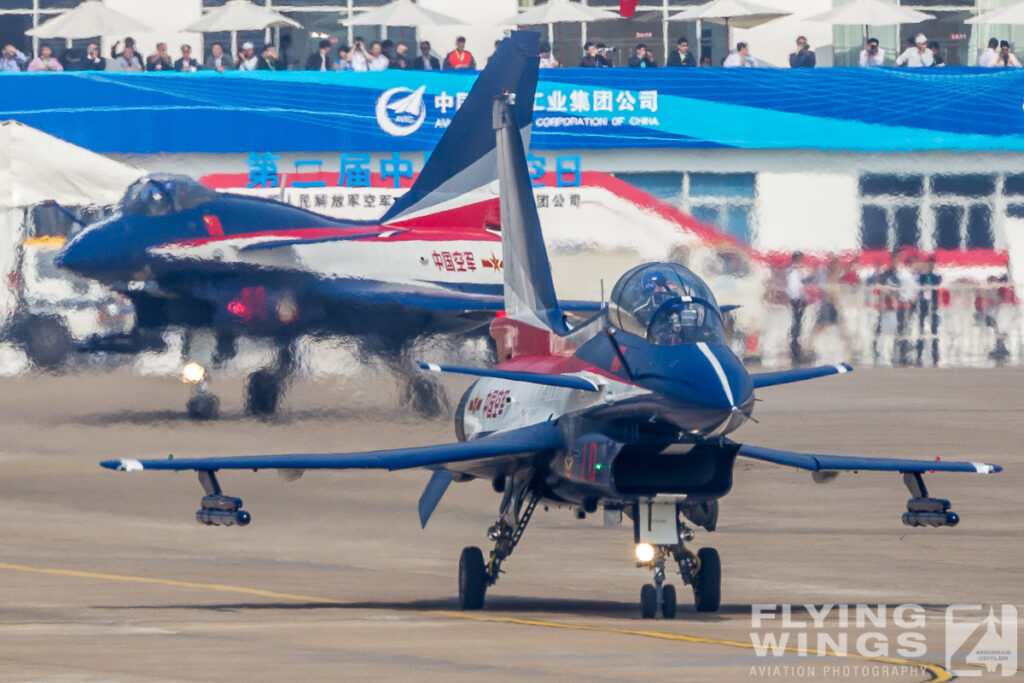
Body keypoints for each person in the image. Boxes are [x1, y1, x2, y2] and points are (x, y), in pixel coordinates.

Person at [917, 257, 941, 366]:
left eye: (932, 265)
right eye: (929, 264)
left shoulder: (936, 277)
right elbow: (920, 284)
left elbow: (937, 284)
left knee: (934, 329)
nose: (930, 266)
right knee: (921, 328)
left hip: (933, 305)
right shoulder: (922, 276)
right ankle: (919, 351)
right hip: (923, 305)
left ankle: (935, 352)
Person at [786, 252, 808, 364]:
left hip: (798, 300)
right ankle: (795, 350)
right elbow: (794, 287)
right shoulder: (794, 271)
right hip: (797, 301)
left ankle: (796, 348)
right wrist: (798, 300)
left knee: (798, 325)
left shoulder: (796, 271)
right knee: (796, 325)